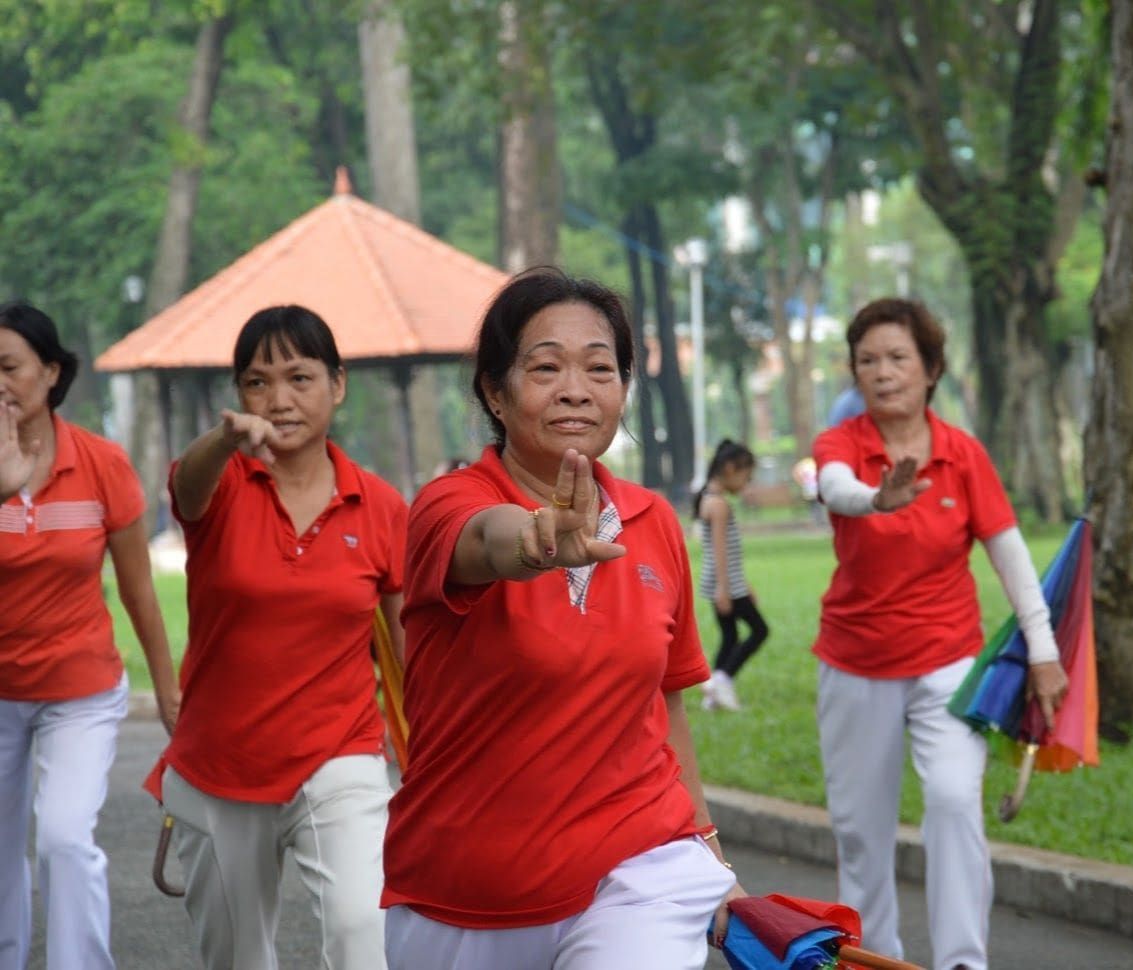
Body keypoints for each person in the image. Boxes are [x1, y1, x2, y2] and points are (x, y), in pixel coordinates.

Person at [383, 268, 740, 969]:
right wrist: (537, 541)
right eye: (546, 367)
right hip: (464, 890)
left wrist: (705, 843)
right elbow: (486, 540)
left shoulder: (654, 521)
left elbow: (661, 701)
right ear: (495, 390)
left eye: (600, 368)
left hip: (641, 866)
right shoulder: (445, 505)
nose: (576, 388)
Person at [144, 305, 407, 970]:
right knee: (238, 958)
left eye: (300, 377)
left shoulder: (378, 506)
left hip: (339, 756)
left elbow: (410, 645)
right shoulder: (221, 482)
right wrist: (226, 439)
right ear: (239, 395)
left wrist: (430, 751)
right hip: (220, 765)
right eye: (258, 382)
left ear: (338, 384)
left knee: (361, 933)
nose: (280, 399)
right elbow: (185, 485)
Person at [812, 297, 1069, 970]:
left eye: (898, 358)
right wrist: (877, 500)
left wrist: (1043, 652)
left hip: (948, 664)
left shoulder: (962, 454)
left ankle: (962, 962)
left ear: (930, 369)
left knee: (956, 804)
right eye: (867, 361)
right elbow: (834, 488)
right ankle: (877, 961)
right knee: (861, 835)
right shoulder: (843, 445)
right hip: (855, 664)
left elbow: (1011, 558)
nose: (882, 372)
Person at [0, 300, 180, 970]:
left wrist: (167, 689)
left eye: (9, 366)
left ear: (50, 373)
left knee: (64, 840)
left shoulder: (101, 464)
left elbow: (139, 591)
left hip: (79, 691)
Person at [693, 439, 769, 712]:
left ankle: (713, 695)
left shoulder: (709, 500)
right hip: (724, 585)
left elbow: (723, 552)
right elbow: (720, 551)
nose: (746, 484)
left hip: (726, 583)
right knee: (760, 630)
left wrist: (742, 584)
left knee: (730, 636)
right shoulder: (719, 504)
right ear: (728, 468)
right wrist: (724, 589)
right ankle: (721, 680)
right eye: (745, 477)